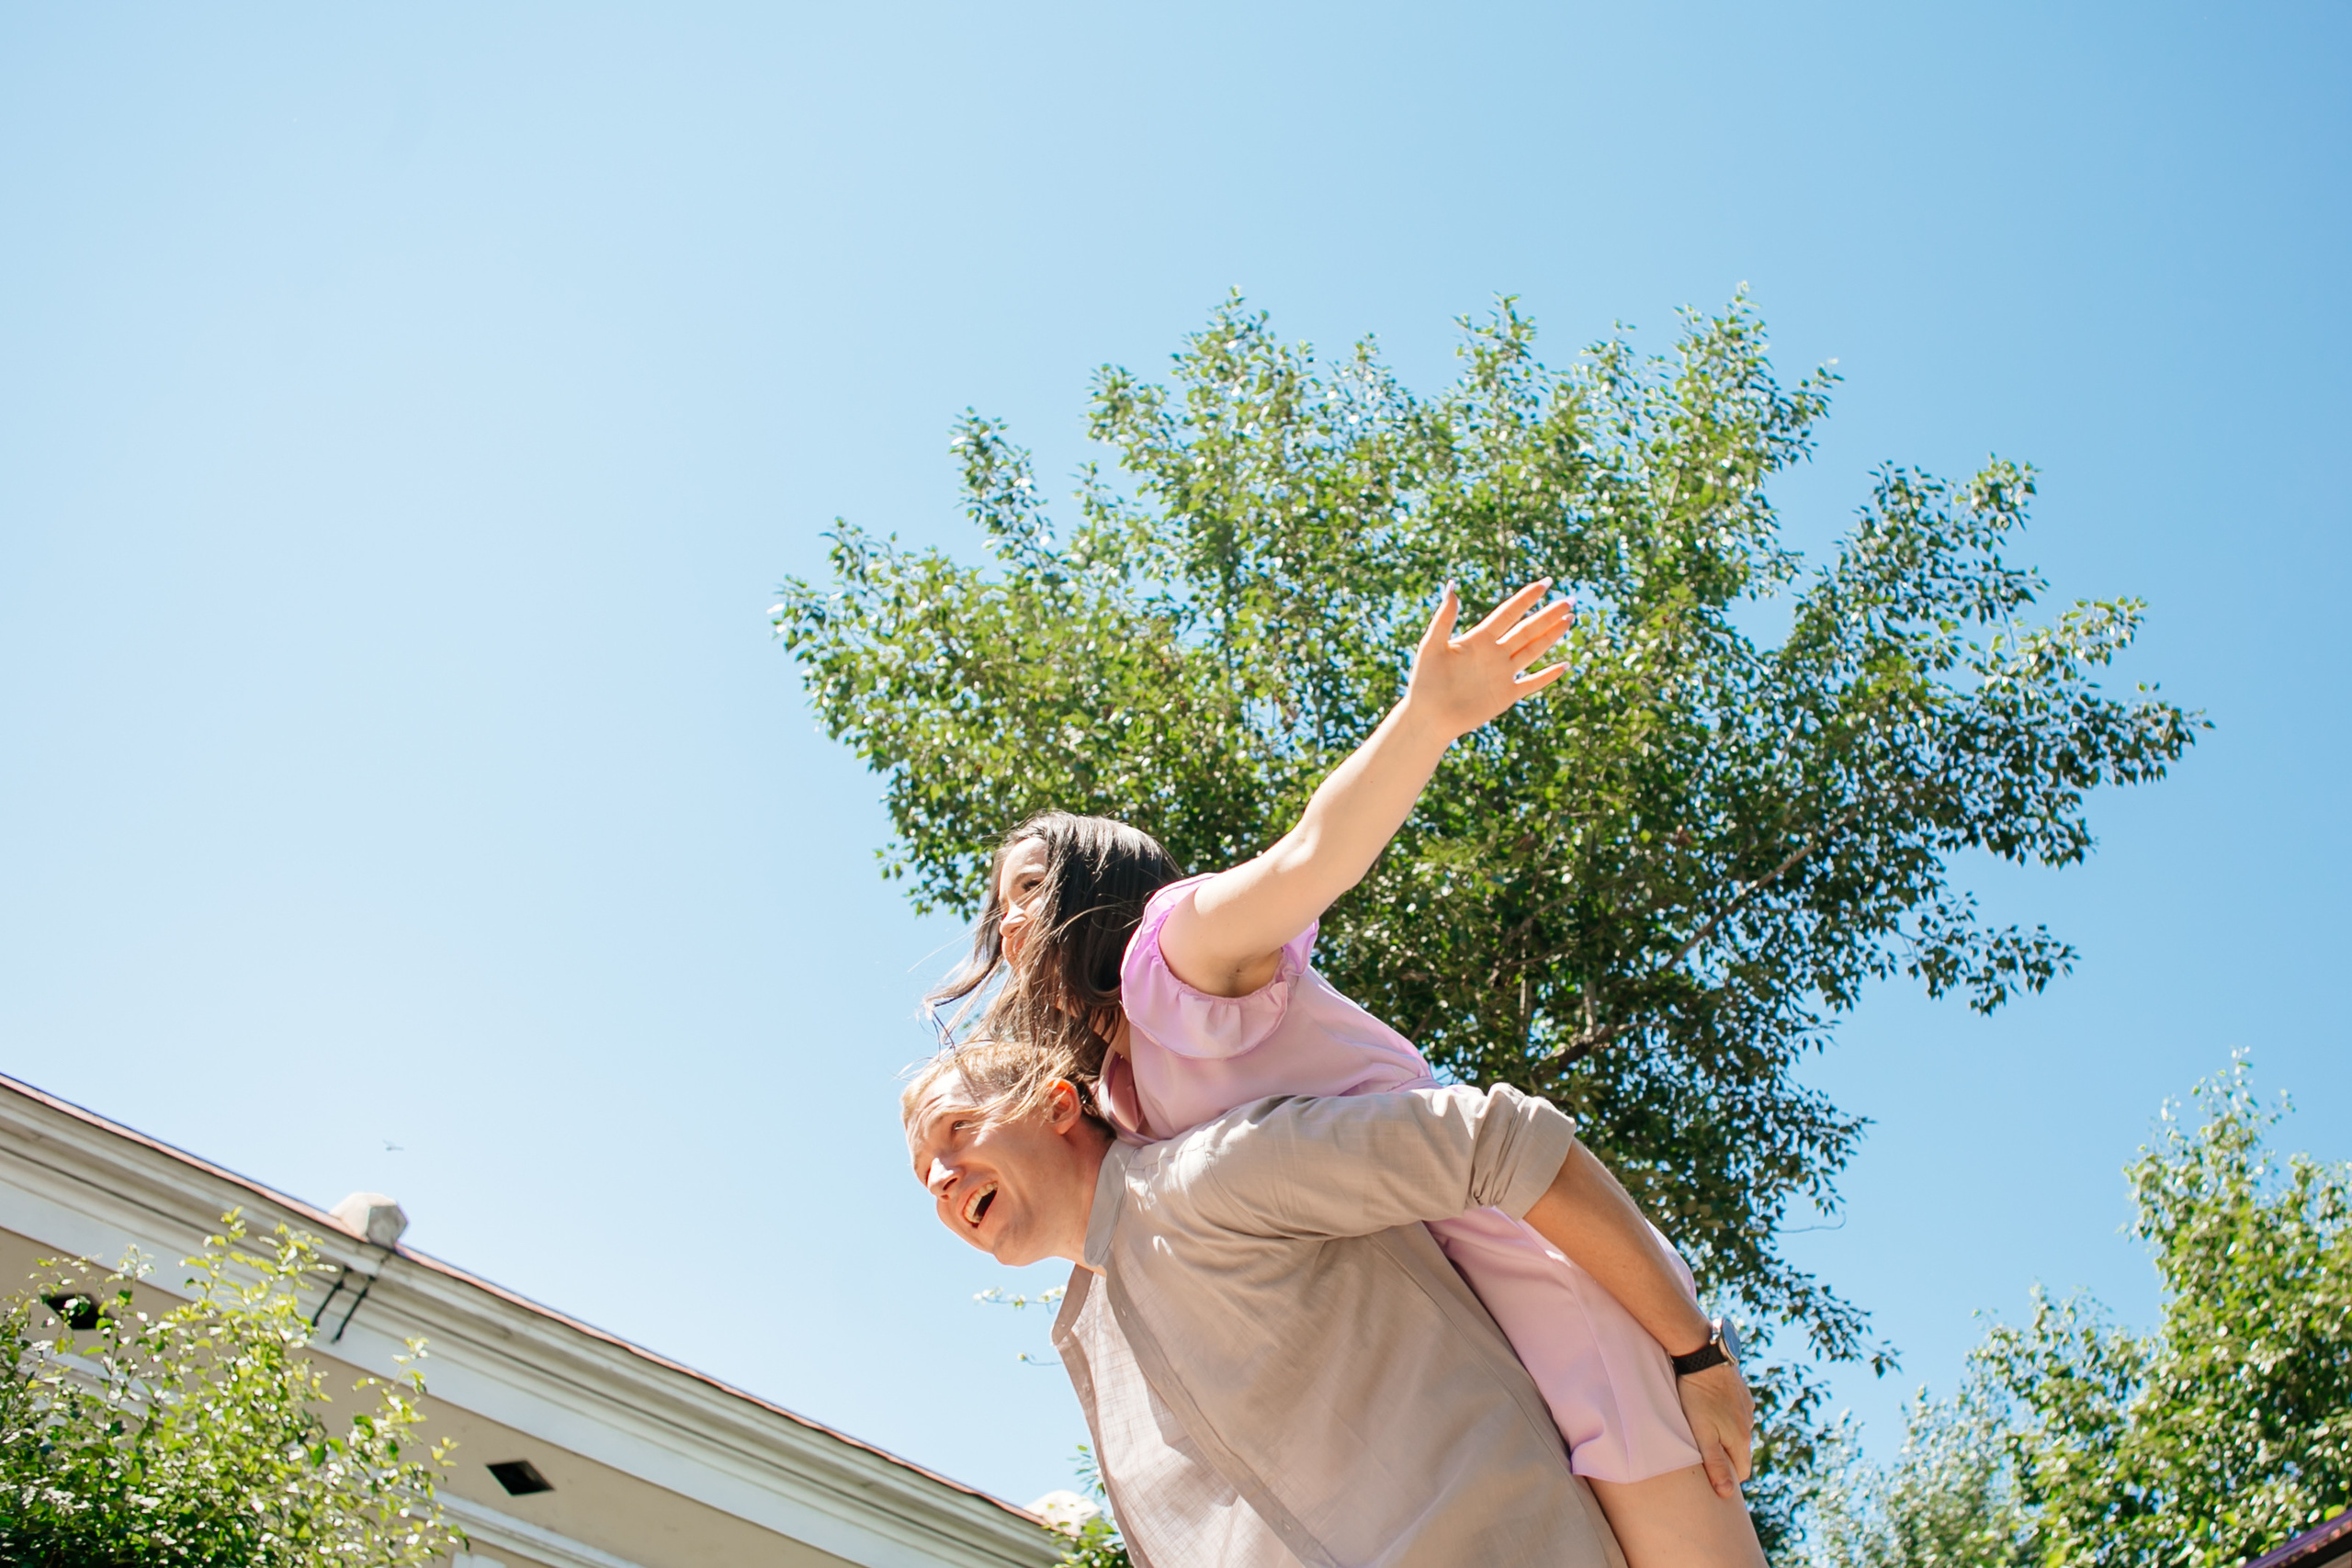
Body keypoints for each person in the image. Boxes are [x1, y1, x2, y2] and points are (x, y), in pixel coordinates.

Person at [930, 581, 1765, 1564]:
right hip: (1440, 1337)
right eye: (1000, 903)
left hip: (1535, 1266)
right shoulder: (1121, 1092)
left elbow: (1310, 856)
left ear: (1097, 885)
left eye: (1031, 886)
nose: (1008, 921)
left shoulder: (1181, 953)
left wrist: (1426, 719)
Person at [902, 1036, 1757, 1568]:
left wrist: (1696, 1352)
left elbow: (1500, 1141)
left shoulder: (1209, 1181)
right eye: (922, 1178)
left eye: (957, 1130)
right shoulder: (1097, 1337)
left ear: (1056, 1105)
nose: (941, 1180)